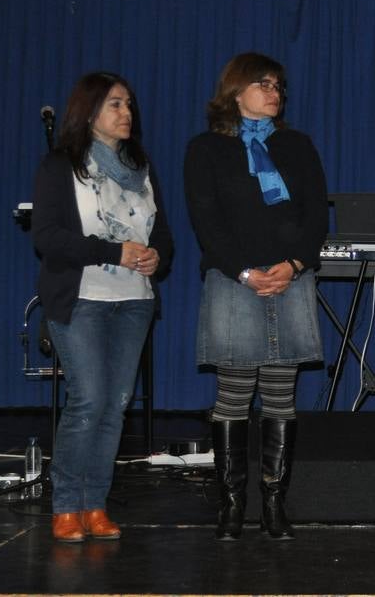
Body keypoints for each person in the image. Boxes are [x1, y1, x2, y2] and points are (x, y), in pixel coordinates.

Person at [184, 53, 328, 541]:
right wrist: (245, 271)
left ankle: (273, 505)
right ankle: (230, 506)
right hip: (233, 282)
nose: (274, 93)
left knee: (281, 397)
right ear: (235, 89)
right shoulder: (206, 149)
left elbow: (315, 219)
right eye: (263, 84)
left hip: (290, 279)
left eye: (278, 86)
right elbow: (207, 222)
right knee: (233, 395)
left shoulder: (297, 145)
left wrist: (294, 264)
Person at [32, 71, 173, 543]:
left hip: (134, 301)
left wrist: (157, 256)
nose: (126, 113)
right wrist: (114, 252)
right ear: (89, 112)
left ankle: (96, 504)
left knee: (115, 405)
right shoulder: (60, 166)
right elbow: (47, 238)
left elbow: (165, 239)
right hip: (83, 299)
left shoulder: (142, 168)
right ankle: (66, 505)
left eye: (129, 104)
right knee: (88, 401)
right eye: (115, 104)